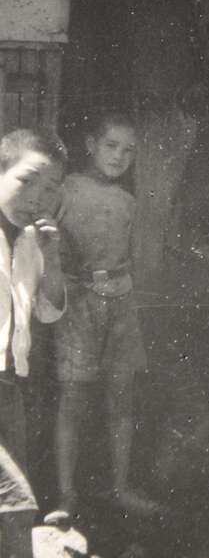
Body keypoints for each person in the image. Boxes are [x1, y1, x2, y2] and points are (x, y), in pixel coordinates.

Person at [0, 129, 86, 558]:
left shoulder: (33, 241)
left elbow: (51, 312)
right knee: (15, 502)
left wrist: (52, 257)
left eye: (50, 186)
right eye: (27, 179)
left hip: (11, 386)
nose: (37, 195)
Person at [47, 113, 157, 526]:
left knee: (121, 397)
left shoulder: (128, 201)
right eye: (112, 145)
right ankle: (65, 495)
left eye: (129, 150)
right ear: (91, 143)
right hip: (78, 305)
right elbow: (49, 244)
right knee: (72, 398)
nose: (120, 156)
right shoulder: (66, 189)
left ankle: (121, 488)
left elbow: (134, 255)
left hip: (122, 304)